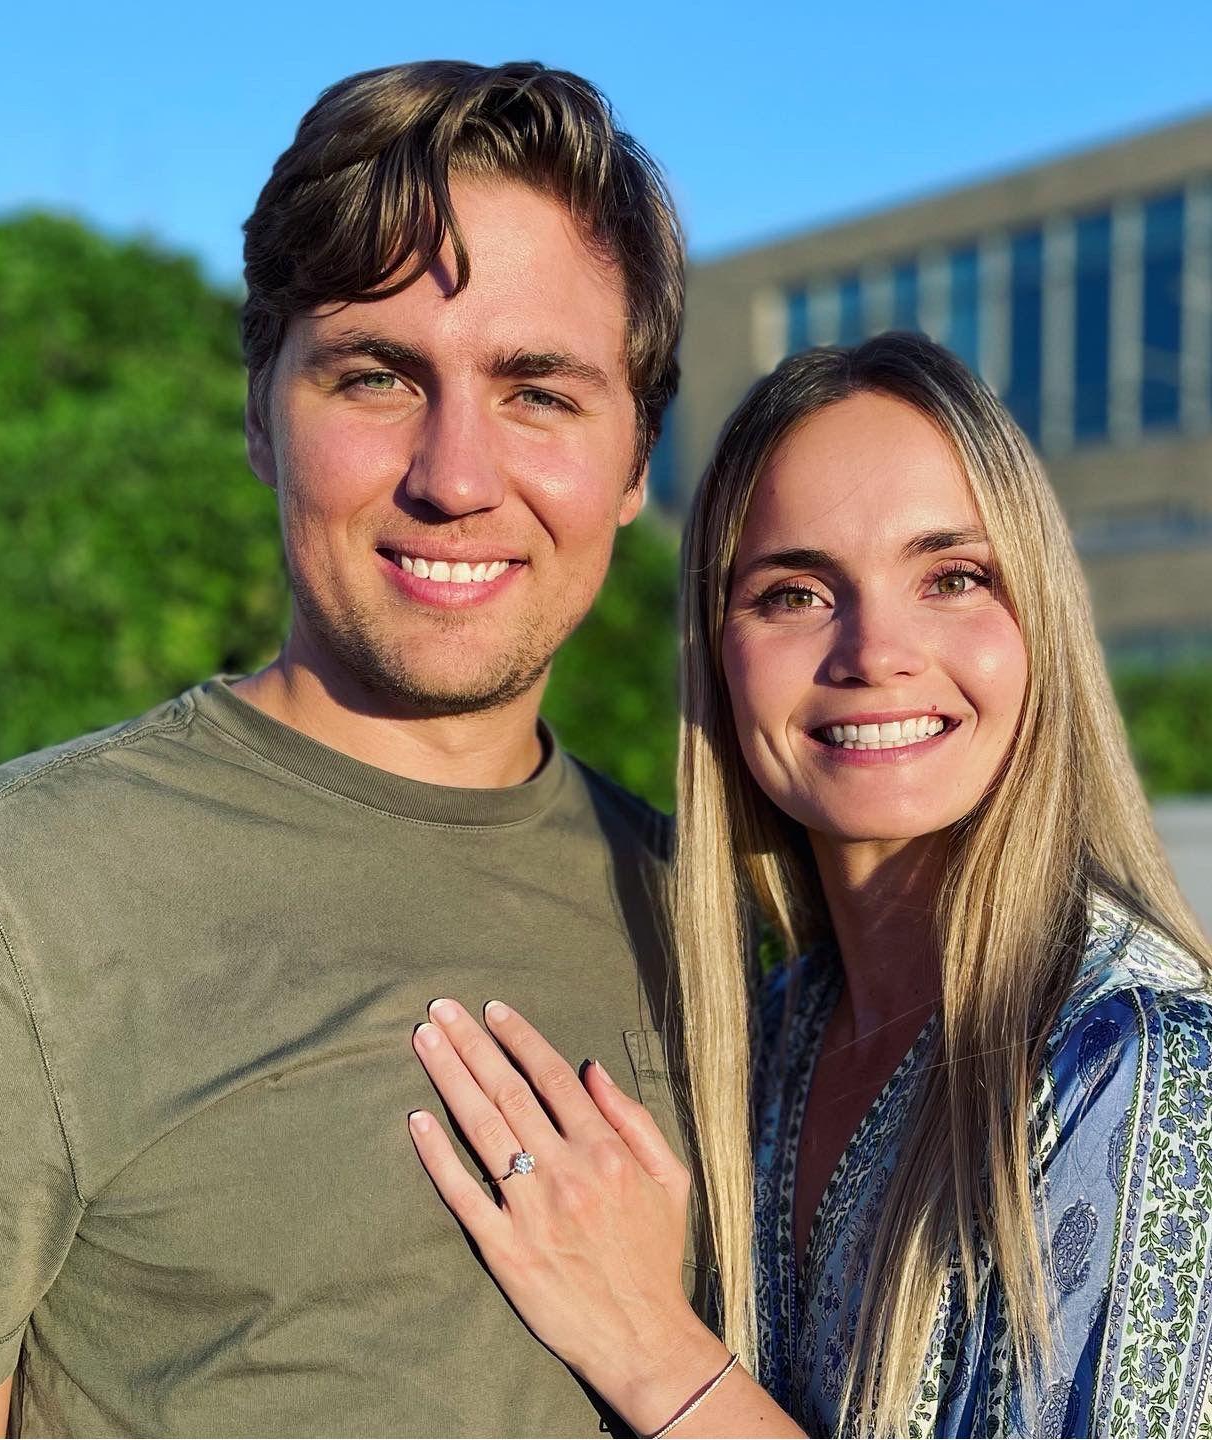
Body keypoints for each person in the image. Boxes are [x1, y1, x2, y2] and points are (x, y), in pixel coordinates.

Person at [0, 61, 691, 1437]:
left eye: (538, 392)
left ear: (633, 465)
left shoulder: (722, 919)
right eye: (377, 376)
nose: (455, 475)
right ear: (262, 413)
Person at [408, 333, 1212, 1437]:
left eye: (953, 576)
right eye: (794, 593)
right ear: (720, 650)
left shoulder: (1143, 1063)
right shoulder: (771, 1032)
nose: (876, 651)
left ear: (1042, 625)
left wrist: (650, 1346)